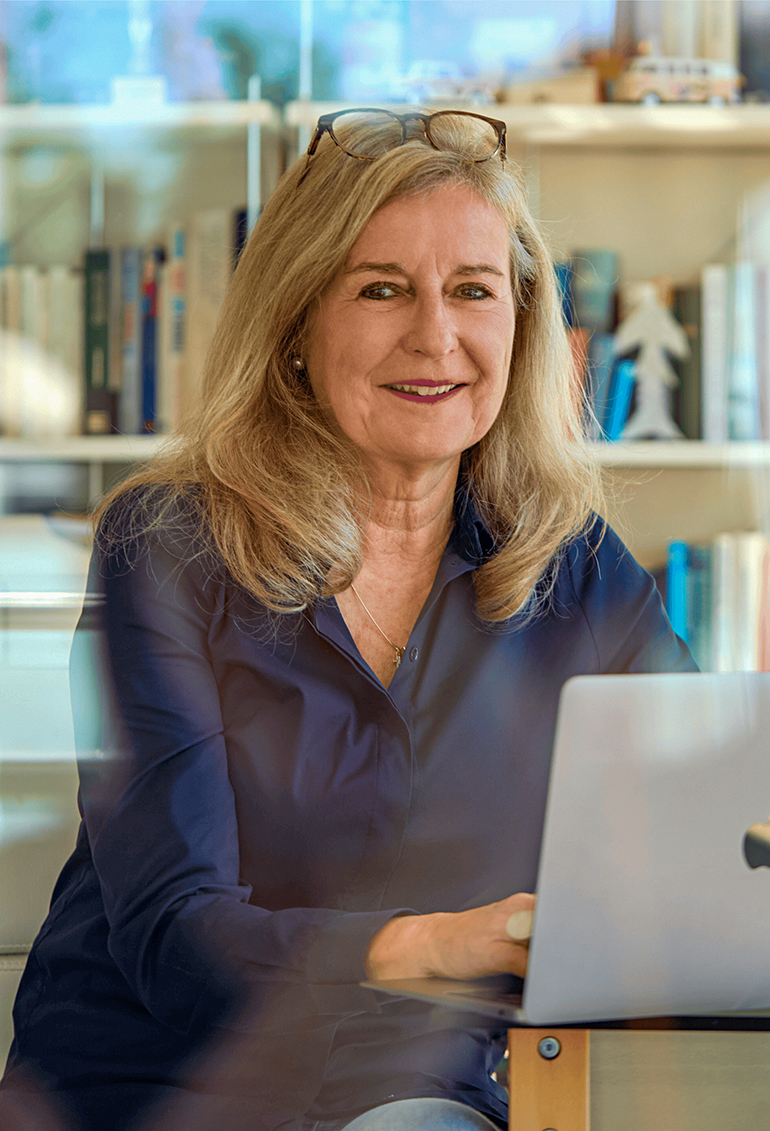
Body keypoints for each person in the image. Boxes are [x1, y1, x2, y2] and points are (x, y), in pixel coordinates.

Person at [0, 109, 694, 1131]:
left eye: (472, 291)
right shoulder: (169, 546)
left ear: (520, 324)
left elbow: (706, 806)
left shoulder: (570, 563)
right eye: (380, 290)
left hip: (422, 1088)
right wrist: (438, 943)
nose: (435, 337)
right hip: (164, 1088)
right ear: (295, 328)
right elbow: (175, 939)